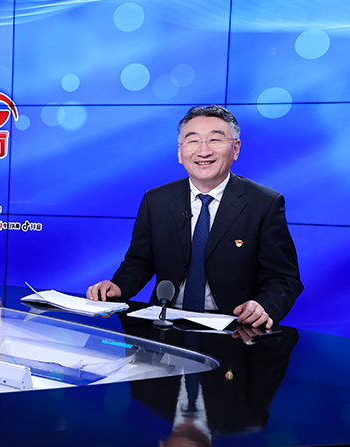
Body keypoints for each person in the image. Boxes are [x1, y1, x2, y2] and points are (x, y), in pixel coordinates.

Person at [87, 105, 302, 330]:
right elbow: (140, 262)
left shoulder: (264, 203)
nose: (203, 151)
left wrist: (263, 306)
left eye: (215, 140)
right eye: (193, 141)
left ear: (236, 149)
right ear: (180, 152)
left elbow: (284, 277)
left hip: (232, 328)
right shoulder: (156, 200)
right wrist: (118, 286)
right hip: (164, 322)